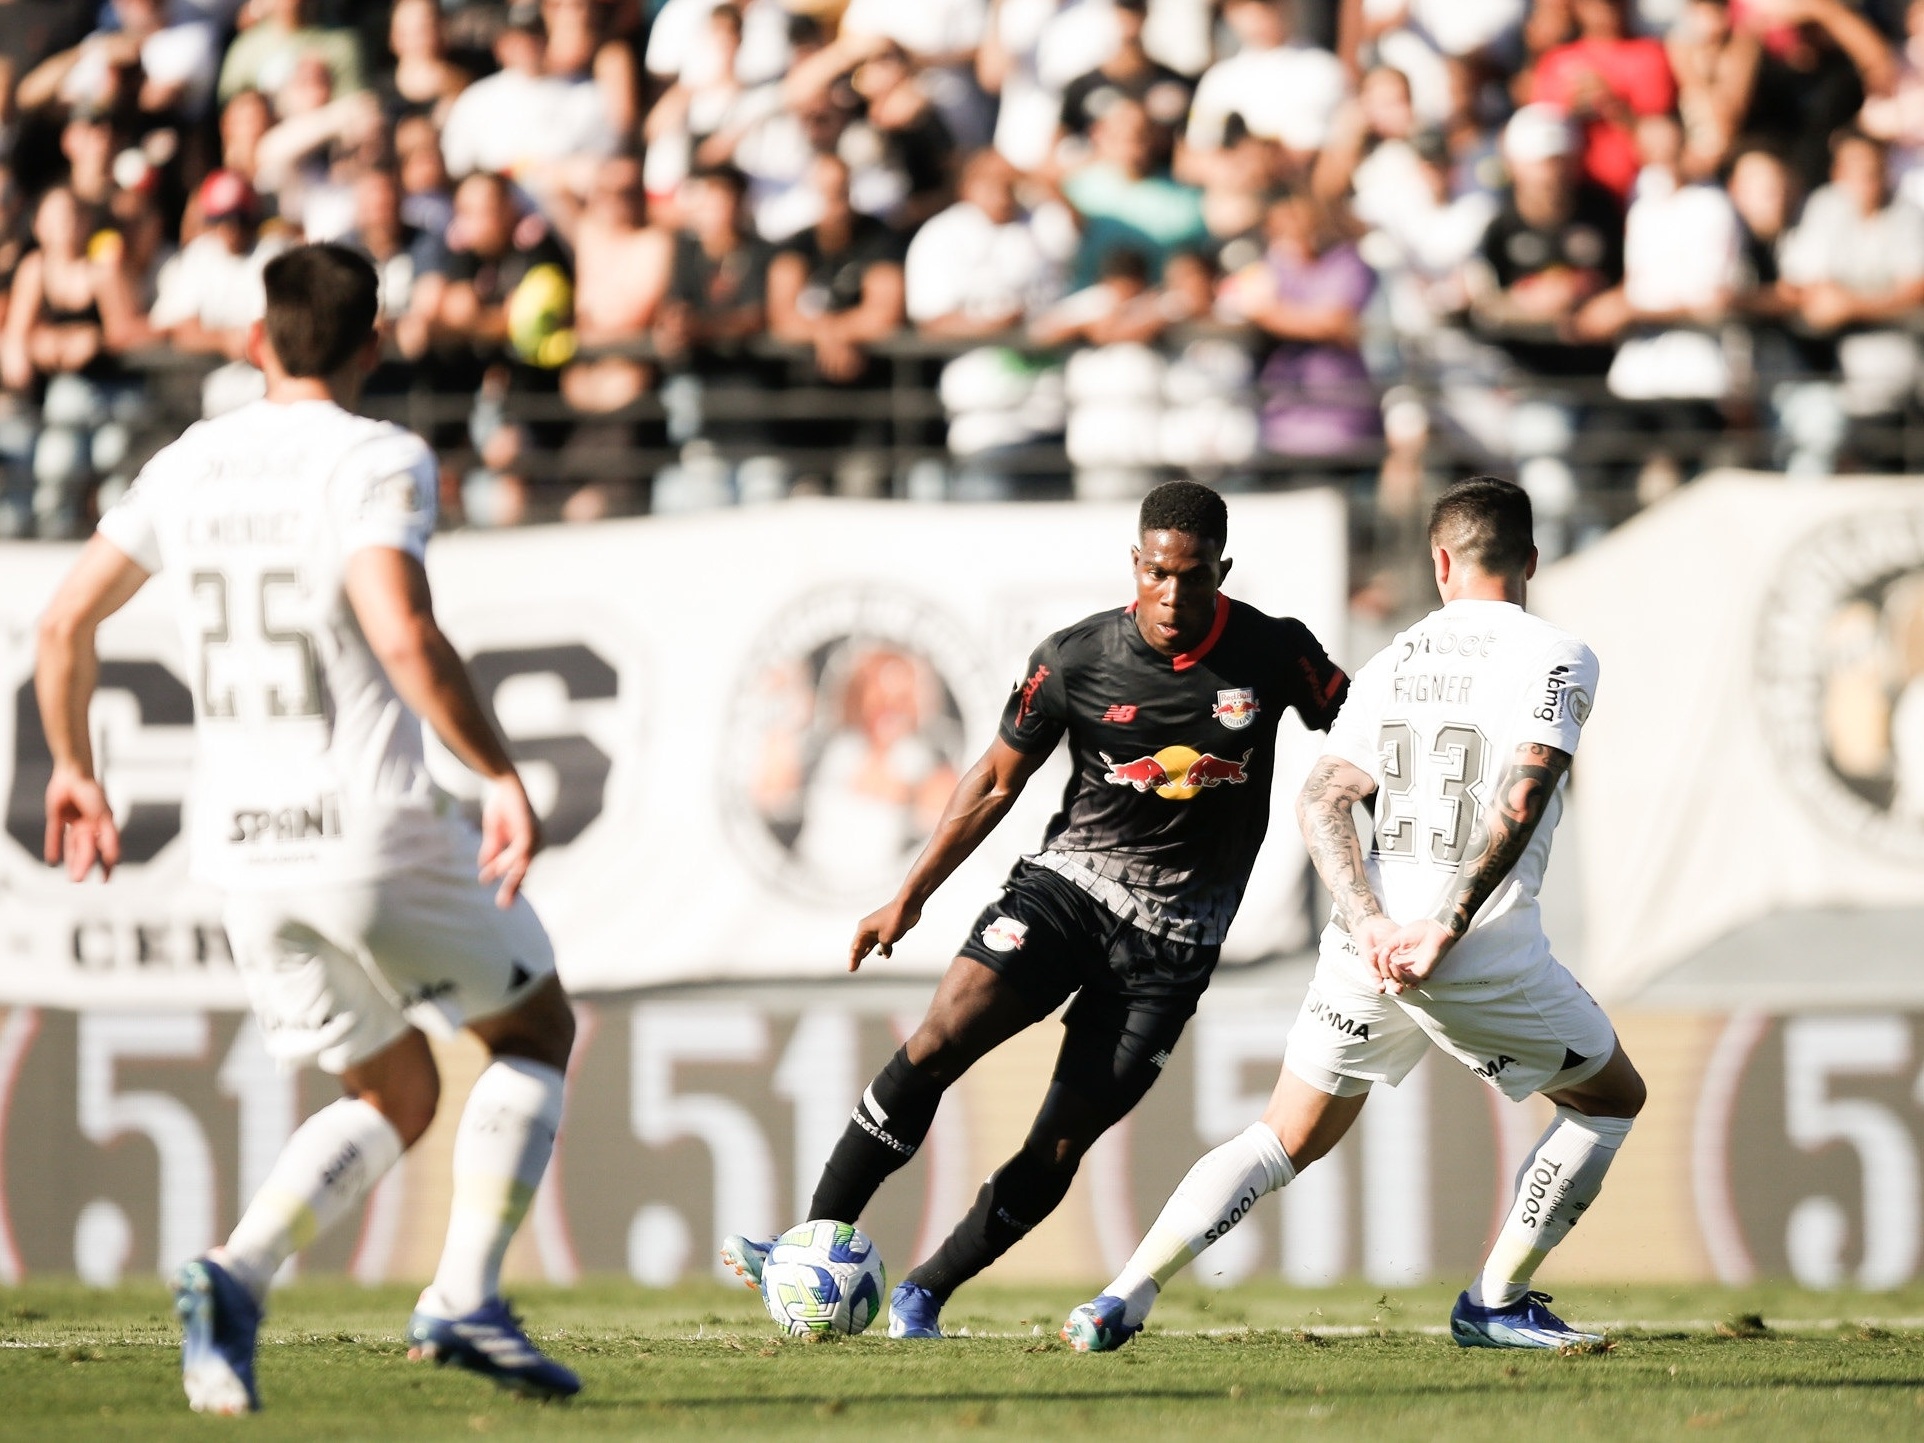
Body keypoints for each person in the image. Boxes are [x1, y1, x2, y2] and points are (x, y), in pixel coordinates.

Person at [33, 243, 580, 1412]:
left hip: (241, 855)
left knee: (393, 1089)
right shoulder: (375, 455)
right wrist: (496, 770)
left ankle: (233, 1278)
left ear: (253, 340)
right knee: (532, 1028)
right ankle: (464, 1296)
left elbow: (63, 622)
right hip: (365, 823)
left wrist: (75, 769)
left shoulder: (191, 461)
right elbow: (399, 629)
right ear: (375, 345)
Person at [719, 479, 1351, 1339]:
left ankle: (925, 1293)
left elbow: (1365, 730)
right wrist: (909, 894)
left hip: (1176, 944)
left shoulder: (1275, 653)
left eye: (1193, 576)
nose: (1172, 595)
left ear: (1221, 570)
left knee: (1058, 1142)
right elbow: (992, 780)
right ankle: (807, 1243)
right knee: (937, 1039)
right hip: (1068, 893)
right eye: (1158, 573)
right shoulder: (1075, 659)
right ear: (1136, 564)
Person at [1062, 475, 1646, 1354]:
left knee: (1284, 1135)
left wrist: (1369, 920)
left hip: (1364, 947)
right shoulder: (1560, 654)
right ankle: (1495, 1300)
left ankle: (1119, 1294)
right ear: (1530, 559)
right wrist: (1439, 928)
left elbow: (1321, 799)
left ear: (1439, 560)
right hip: (1472, 949)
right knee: (1608, 1100)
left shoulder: (1394, 658)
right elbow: (1524, 795)